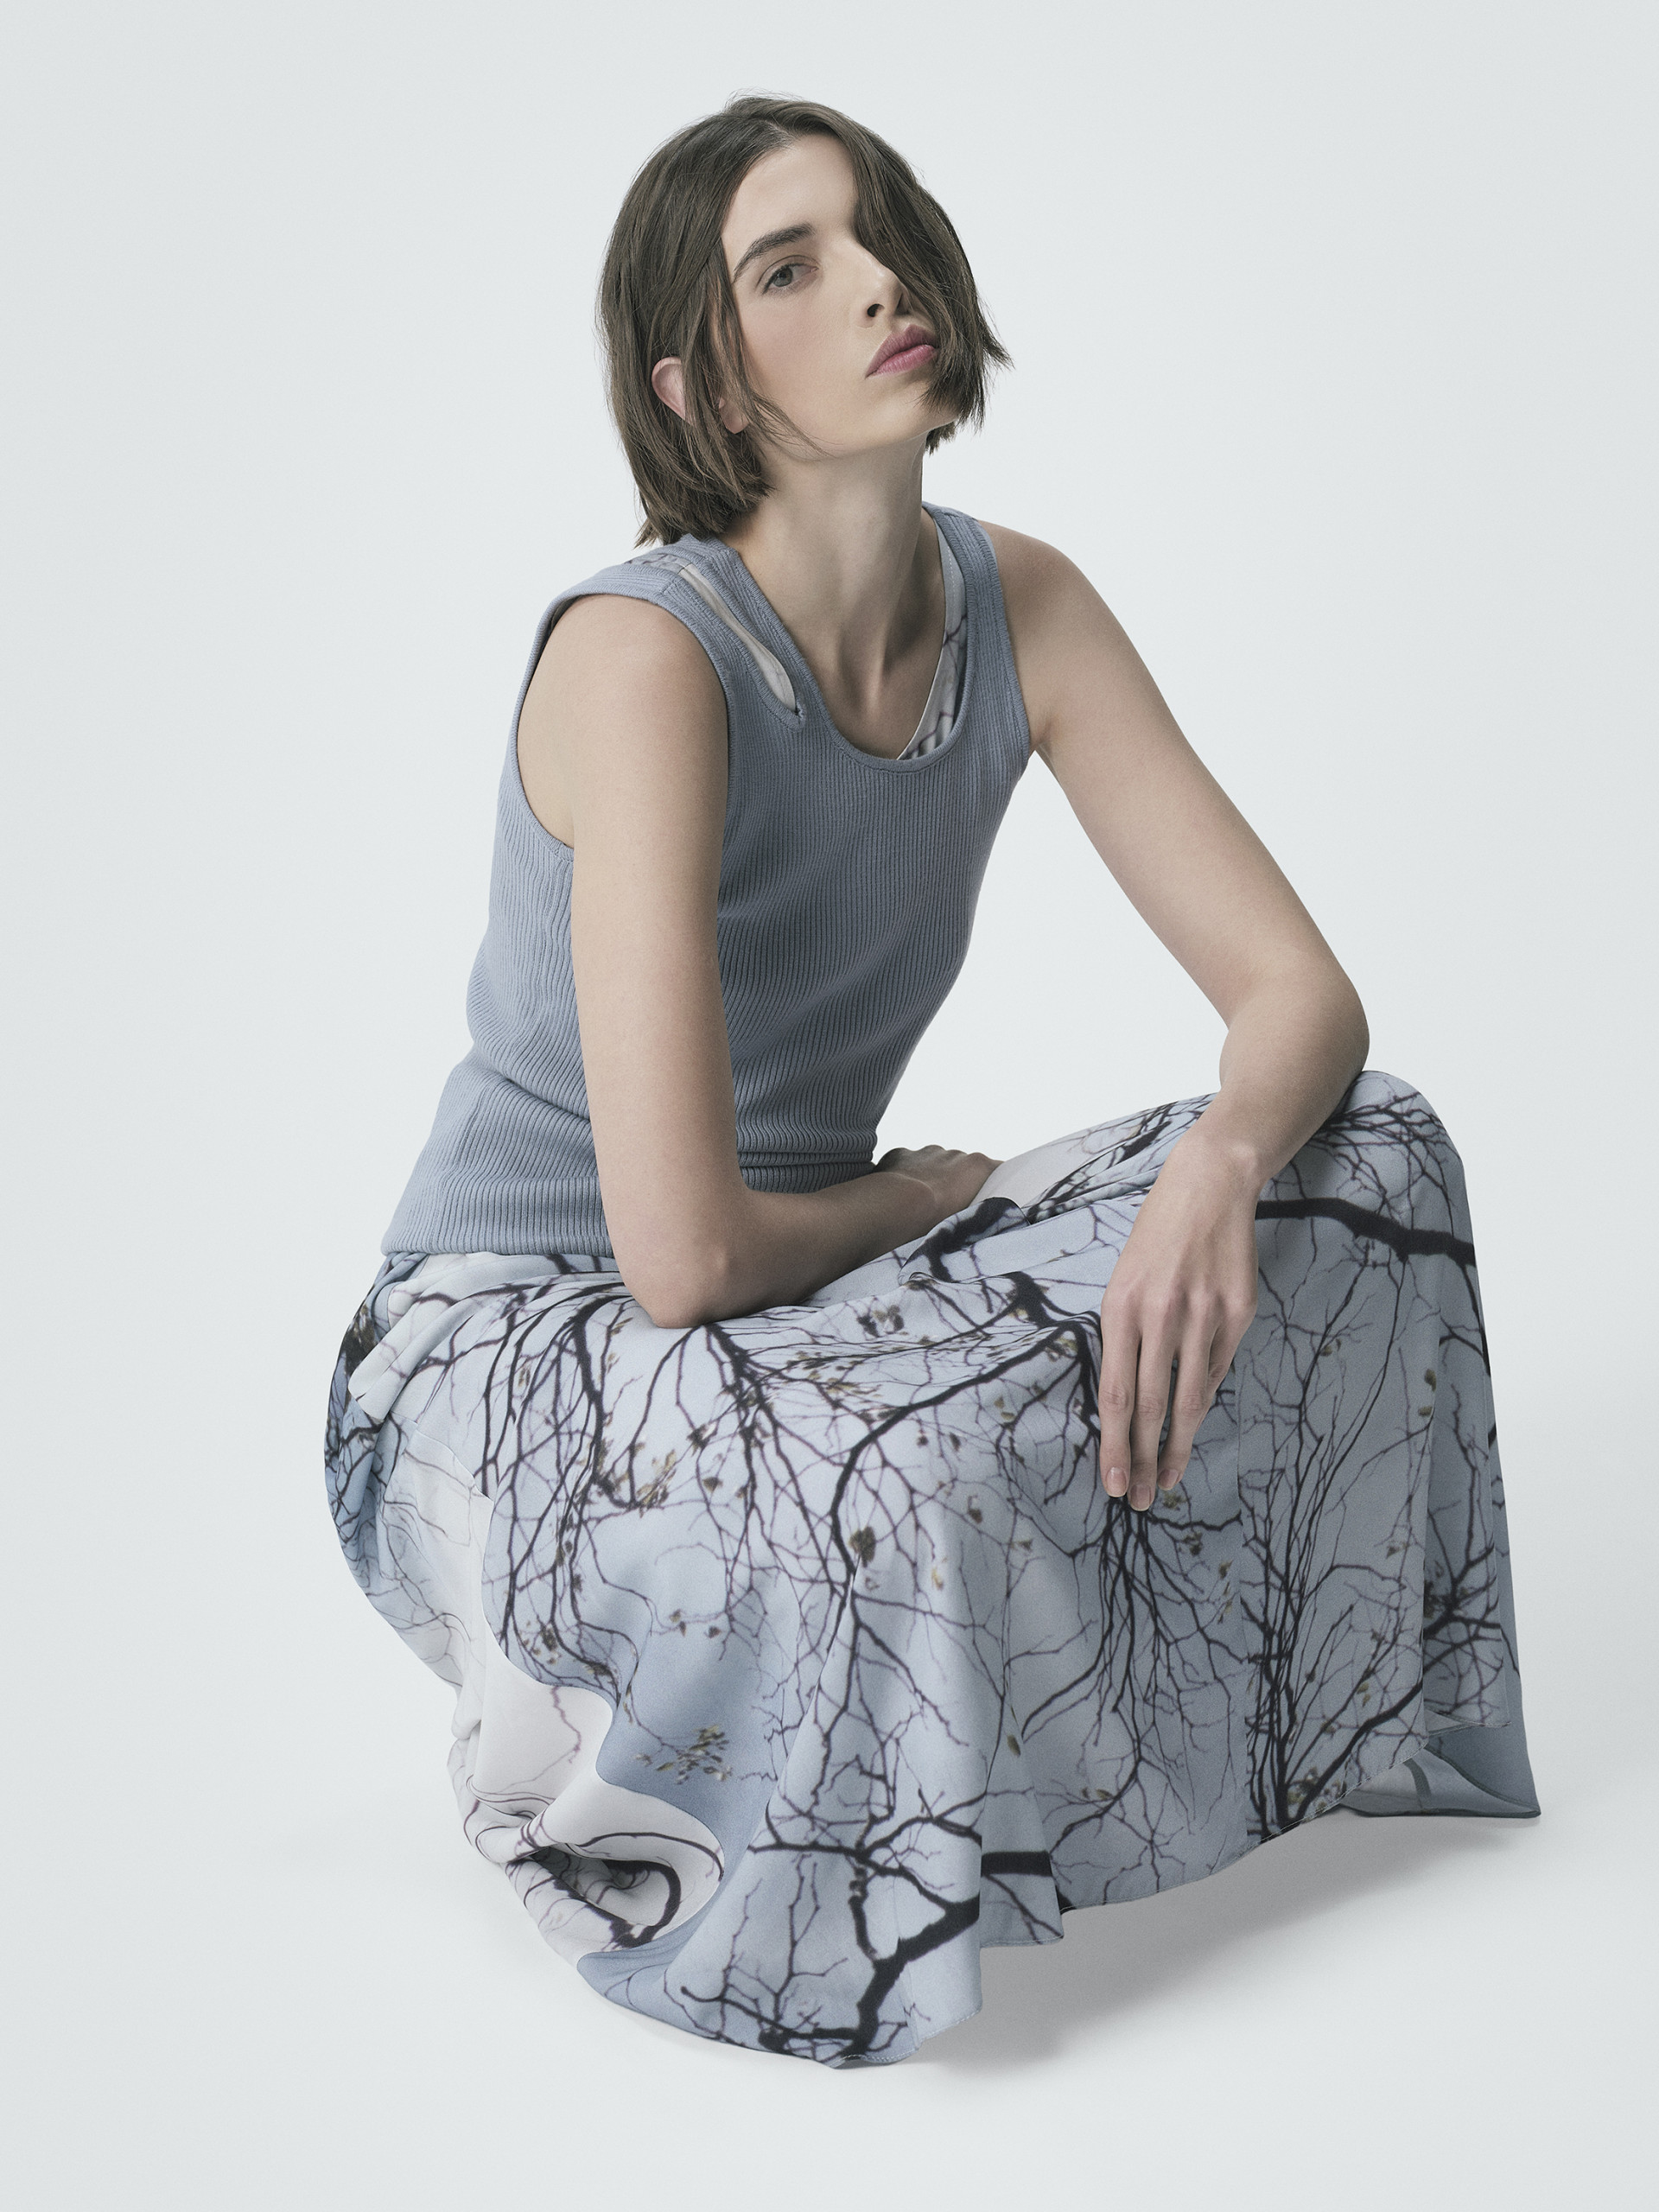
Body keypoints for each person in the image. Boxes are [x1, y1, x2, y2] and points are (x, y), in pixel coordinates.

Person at [324, 94, 1537, 2067]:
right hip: (511, 1334)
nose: (879, 280)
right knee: (900, 1461)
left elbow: (1298, 994)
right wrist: (912, 1201)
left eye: (879, 232)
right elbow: (680, 1257)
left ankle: (1290, 1734)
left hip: (799, 1279)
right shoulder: (647, 661)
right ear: (705, 387)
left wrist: (1221, 1160)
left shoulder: (1020, 605)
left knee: (1371, 1146)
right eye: (789, 268)